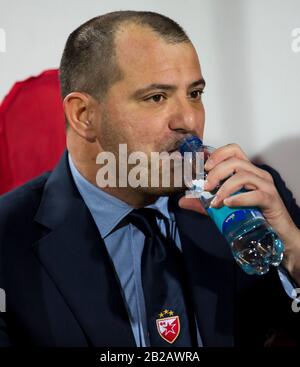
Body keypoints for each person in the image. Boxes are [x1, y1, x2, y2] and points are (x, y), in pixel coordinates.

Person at [0, 10, 300, 347]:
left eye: (195, 93)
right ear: (84, 116)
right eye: (156, 97)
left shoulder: (248, 201)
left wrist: (295, 252)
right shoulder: (7, 238)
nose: (188, 119)